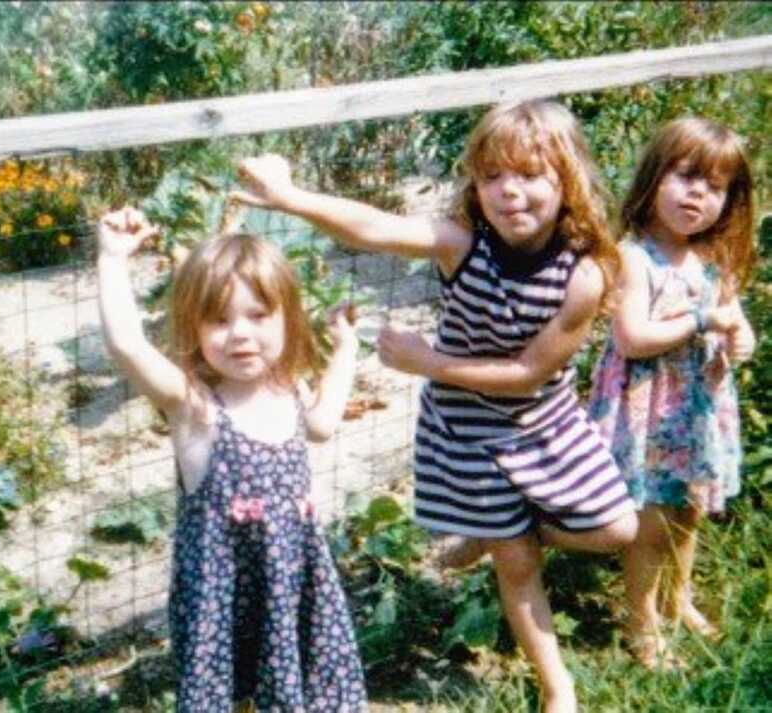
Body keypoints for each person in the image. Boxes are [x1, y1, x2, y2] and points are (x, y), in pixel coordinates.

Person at [233, 99, 638, 713]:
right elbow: (371, 227)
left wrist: (428, 363)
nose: (509, 193)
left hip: (545, 419)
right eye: (492, 176)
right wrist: (290, 196)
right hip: (467, 426)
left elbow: (529, 374)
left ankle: (497, 528)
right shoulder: (462, 244)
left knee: (618, 529)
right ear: (475, 183)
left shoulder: (584, 275)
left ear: (568, 180)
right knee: (518, 561)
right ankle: (559, 686)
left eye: (530, 176)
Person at [96, 207, 368, 712]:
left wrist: (346, 349)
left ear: (287, 317)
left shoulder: (289, 389)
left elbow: (325, 423)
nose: (240, 333)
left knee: (298, 686)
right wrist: (113, 259)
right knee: (227, 694)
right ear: (193, 329)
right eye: (219, 320)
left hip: (291, 587)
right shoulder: (194, 405)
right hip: (221, 600)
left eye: (258, 316)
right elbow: (127, 345)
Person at [588, 117, 756, 669]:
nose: (698, 195)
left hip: (698, 409)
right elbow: (633, 339)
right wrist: (704, 320)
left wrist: (740, 336)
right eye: (686, 177)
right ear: (654, 178)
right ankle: (642, 624)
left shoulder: (714, 258)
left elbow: (734, 320)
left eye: (715, 186)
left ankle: (677, 598)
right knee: (649, 523)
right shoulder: (635, 257)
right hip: (647, 410)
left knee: (689, 511)